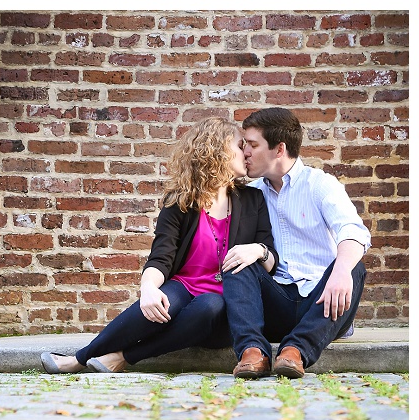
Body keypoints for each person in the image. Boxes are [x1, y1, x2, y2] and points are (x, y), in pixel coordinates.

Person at [41, 117, 278, 374]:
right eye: (240, 145)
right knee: (160, 302)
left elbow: (270, 259)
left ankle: (120, 357)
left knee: (210, 305)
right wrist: (148, 288)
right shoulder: (180, 202)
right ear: (218, 150)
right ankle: (81, 358)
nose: (246, 152)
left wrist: (258, 250)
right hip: (185, 286)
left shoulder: (253, 200)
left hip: (227, 304)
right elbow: (161, 256)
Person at [224, 107, 370, 379]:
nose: (245, 152)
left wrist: (340, 272)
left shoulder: (319, 185)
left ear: (279, 149)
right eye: (244, 145)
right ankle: (253, 351)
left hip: (322, 303)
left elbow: (353, 230)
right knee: (238, 261)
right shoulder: (250, 194)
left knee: (353, 266)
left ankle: (295, 351)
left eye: (253, 145)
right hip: (276, 301)